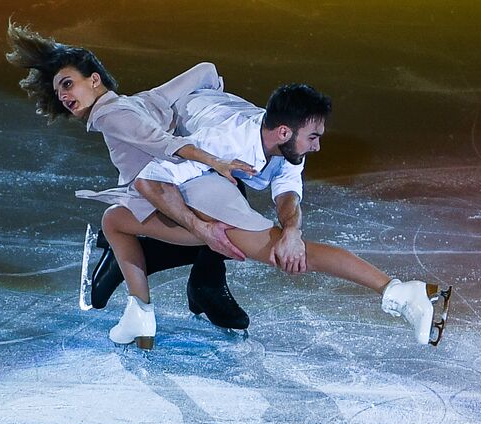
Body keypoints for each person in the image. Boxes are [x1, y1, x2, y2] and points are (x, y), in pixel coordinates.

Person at [122, 83, 447, 347]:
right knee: (245, 238)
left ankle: (399, 292)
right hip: (170, 131)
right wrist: (201, 228)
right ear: (282, 132)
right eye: (314, 138)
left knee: (274, 241)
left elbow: (288, 194)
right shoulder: (220, 142)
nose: (317, 147)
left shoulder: (288, 145)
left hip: (219, 138)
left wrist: (293, 231)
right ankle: (399, 293)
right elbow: (149, 179)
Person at [5, 22, 255, 342]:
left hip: (173, 200)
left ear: (94, 79)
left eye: (68, 84)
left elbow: (165, 144)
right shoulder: (142, 101)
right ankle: (184, 285)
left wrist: (215, 159)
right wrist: (203, 110)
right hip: (177, 196)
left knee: (115, 221)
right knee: (226, 199)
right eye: (59, 92)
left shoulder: (112, 114)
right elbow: (206, 70)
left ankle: (143, 305)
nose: (64, 95)